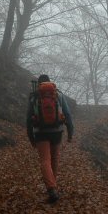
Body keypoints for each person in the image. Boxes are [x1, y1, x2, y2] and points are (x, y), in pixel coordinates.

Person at [27, 74, 74, 203]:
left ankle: (51, 188)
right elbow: (68, 115)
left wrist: (31, 137)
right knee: (54, 158)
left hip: (40, 132)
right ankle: (53, 186)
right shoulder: (58, 95)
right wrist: (70, 133)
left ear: (39, 84)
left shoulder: (35, 97)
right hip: (57, 131)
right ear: (49, 82)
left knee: (45, 160)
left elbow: (28, 119)